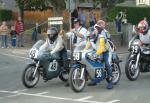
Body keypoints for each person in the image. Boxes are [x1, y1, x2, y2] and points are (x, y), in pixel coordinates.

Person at [84, 20, 113, 89]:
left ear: (95, 34)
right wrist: (83, 51)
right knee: (92, 61)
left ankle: (110, 82)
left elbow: (102, 48)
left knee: (107, 64)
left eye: (91, 36)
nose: (91, 37)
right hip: (98, 51)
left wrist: (95, 54)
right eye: (89, 36)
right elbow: (87, 47)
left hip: (106, 51)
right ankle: (95, 80)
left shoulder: (101, 37)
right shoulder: (90, 38)